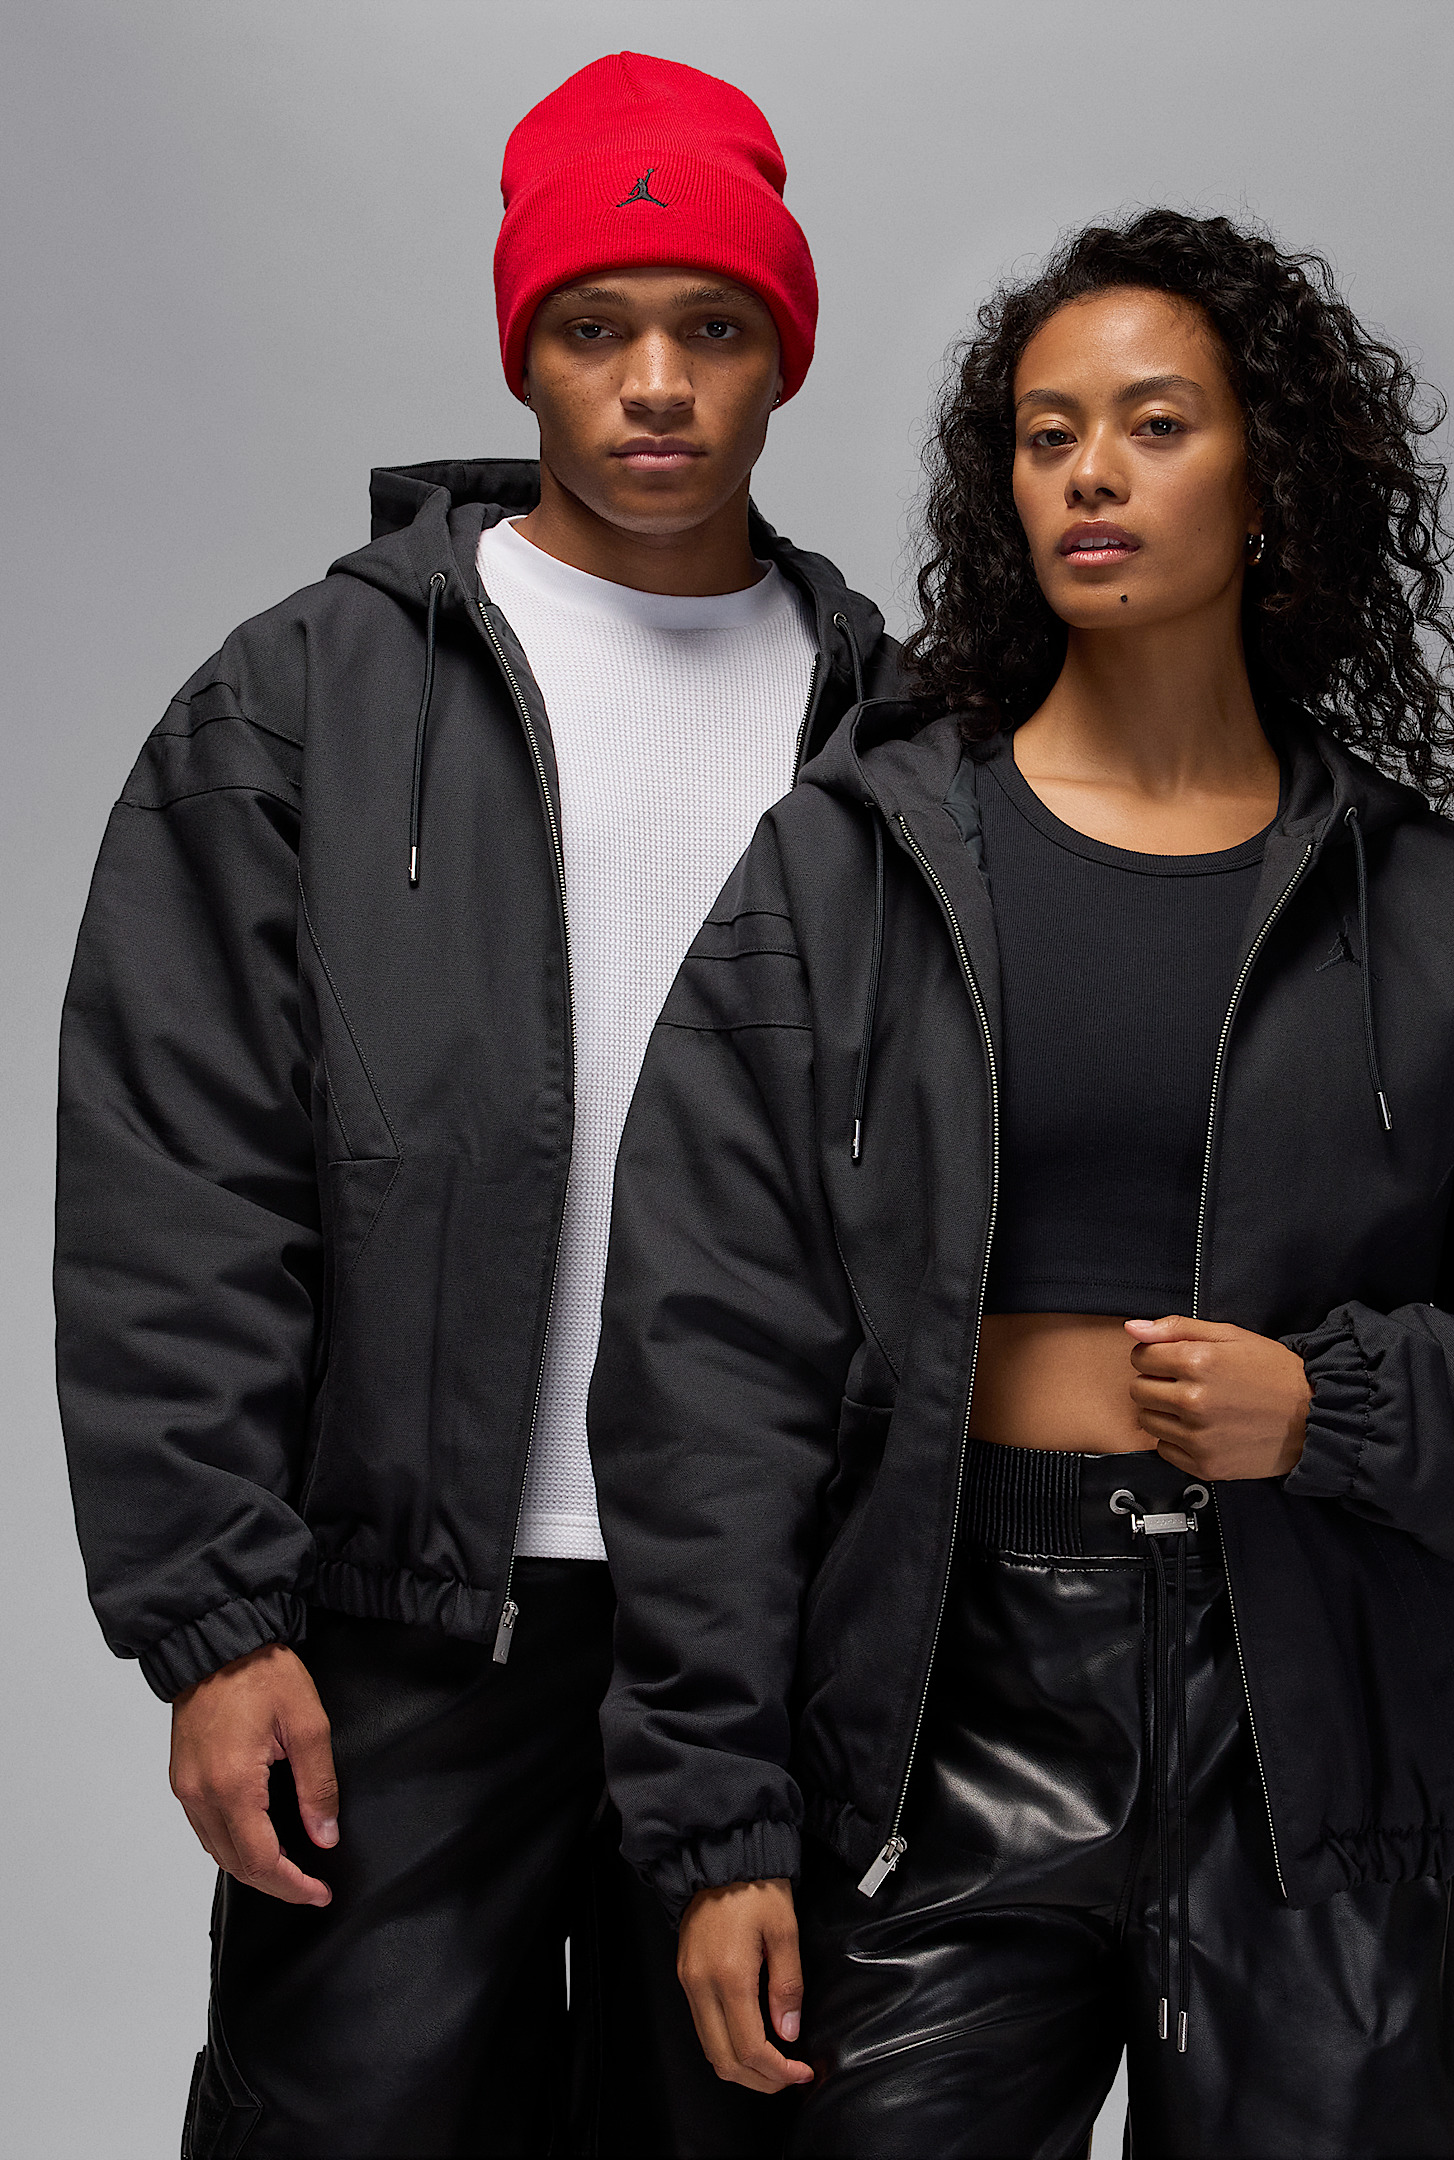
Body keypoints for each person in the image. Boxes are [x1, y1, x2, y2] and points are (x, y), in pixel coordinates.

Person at [587, 208, 1454, 2157]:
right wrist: (716, 1826)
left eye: (1156, 425)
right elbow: (702, 1363)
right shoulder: (850, 871)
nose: (1089, 472)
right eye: (1047, 435)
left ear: (1273, 483)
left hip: (1316, 1723)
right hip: (937, 1711)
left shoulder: (1435, 912)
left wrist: (1333, 1406)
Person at [55, 49, 897, 2160]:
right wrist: (215, 1629)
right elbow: (177, 1173)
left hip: (774, 1624)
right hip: (407, 1622)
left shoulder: (896, 730)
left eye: (714, 328)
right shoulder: (302, 700)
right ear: (522, 348)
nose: (655, 385)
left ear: (784, 356)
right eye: (595, 327)